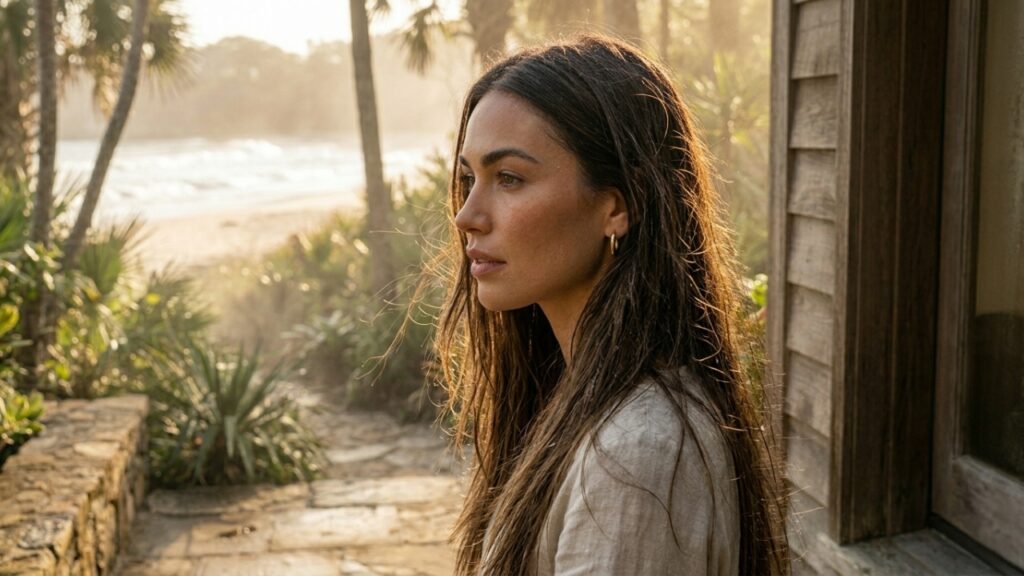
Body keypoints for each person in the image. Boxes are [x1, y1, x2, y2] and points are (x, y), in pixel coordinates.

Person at [433, 34, 789, 575]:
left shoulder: (637, 452)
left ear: (618, 206)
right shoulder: (578, 399)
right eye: (468, 178)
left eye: (509, 178)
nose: (467, 215)